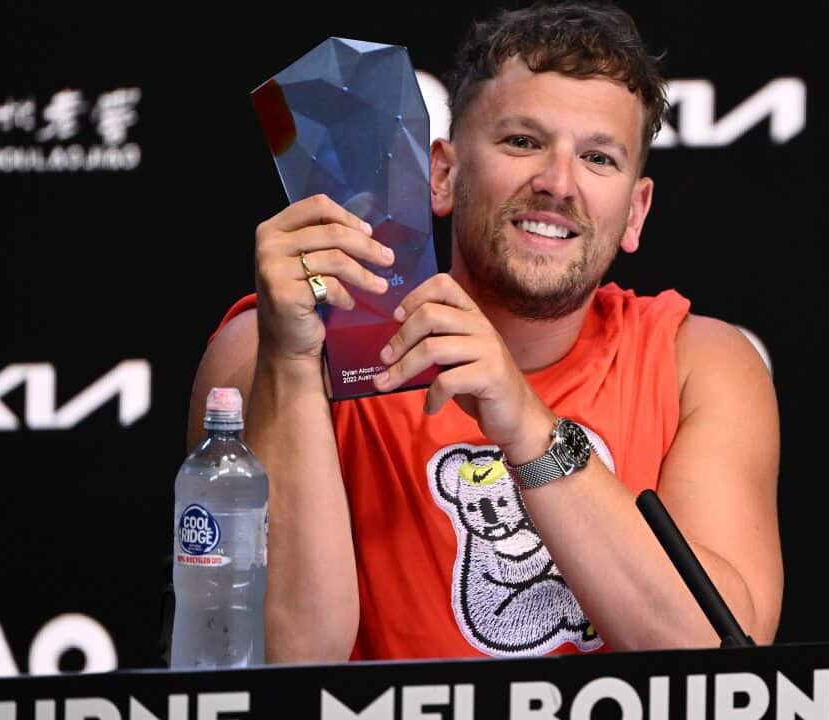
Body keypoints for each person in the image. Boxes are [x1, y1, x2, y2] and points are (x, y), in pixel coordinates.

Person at [189, 0, 782, 663]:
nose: (558, 184)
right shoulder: (278, 344)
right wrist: (292, 361)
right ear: (442, 173)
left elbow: (723, 663)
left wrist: (527, 428)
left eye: (599, 158)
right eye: (522, 141)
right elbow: (285, 662)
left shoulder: (696, 361)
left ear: (636, 210)